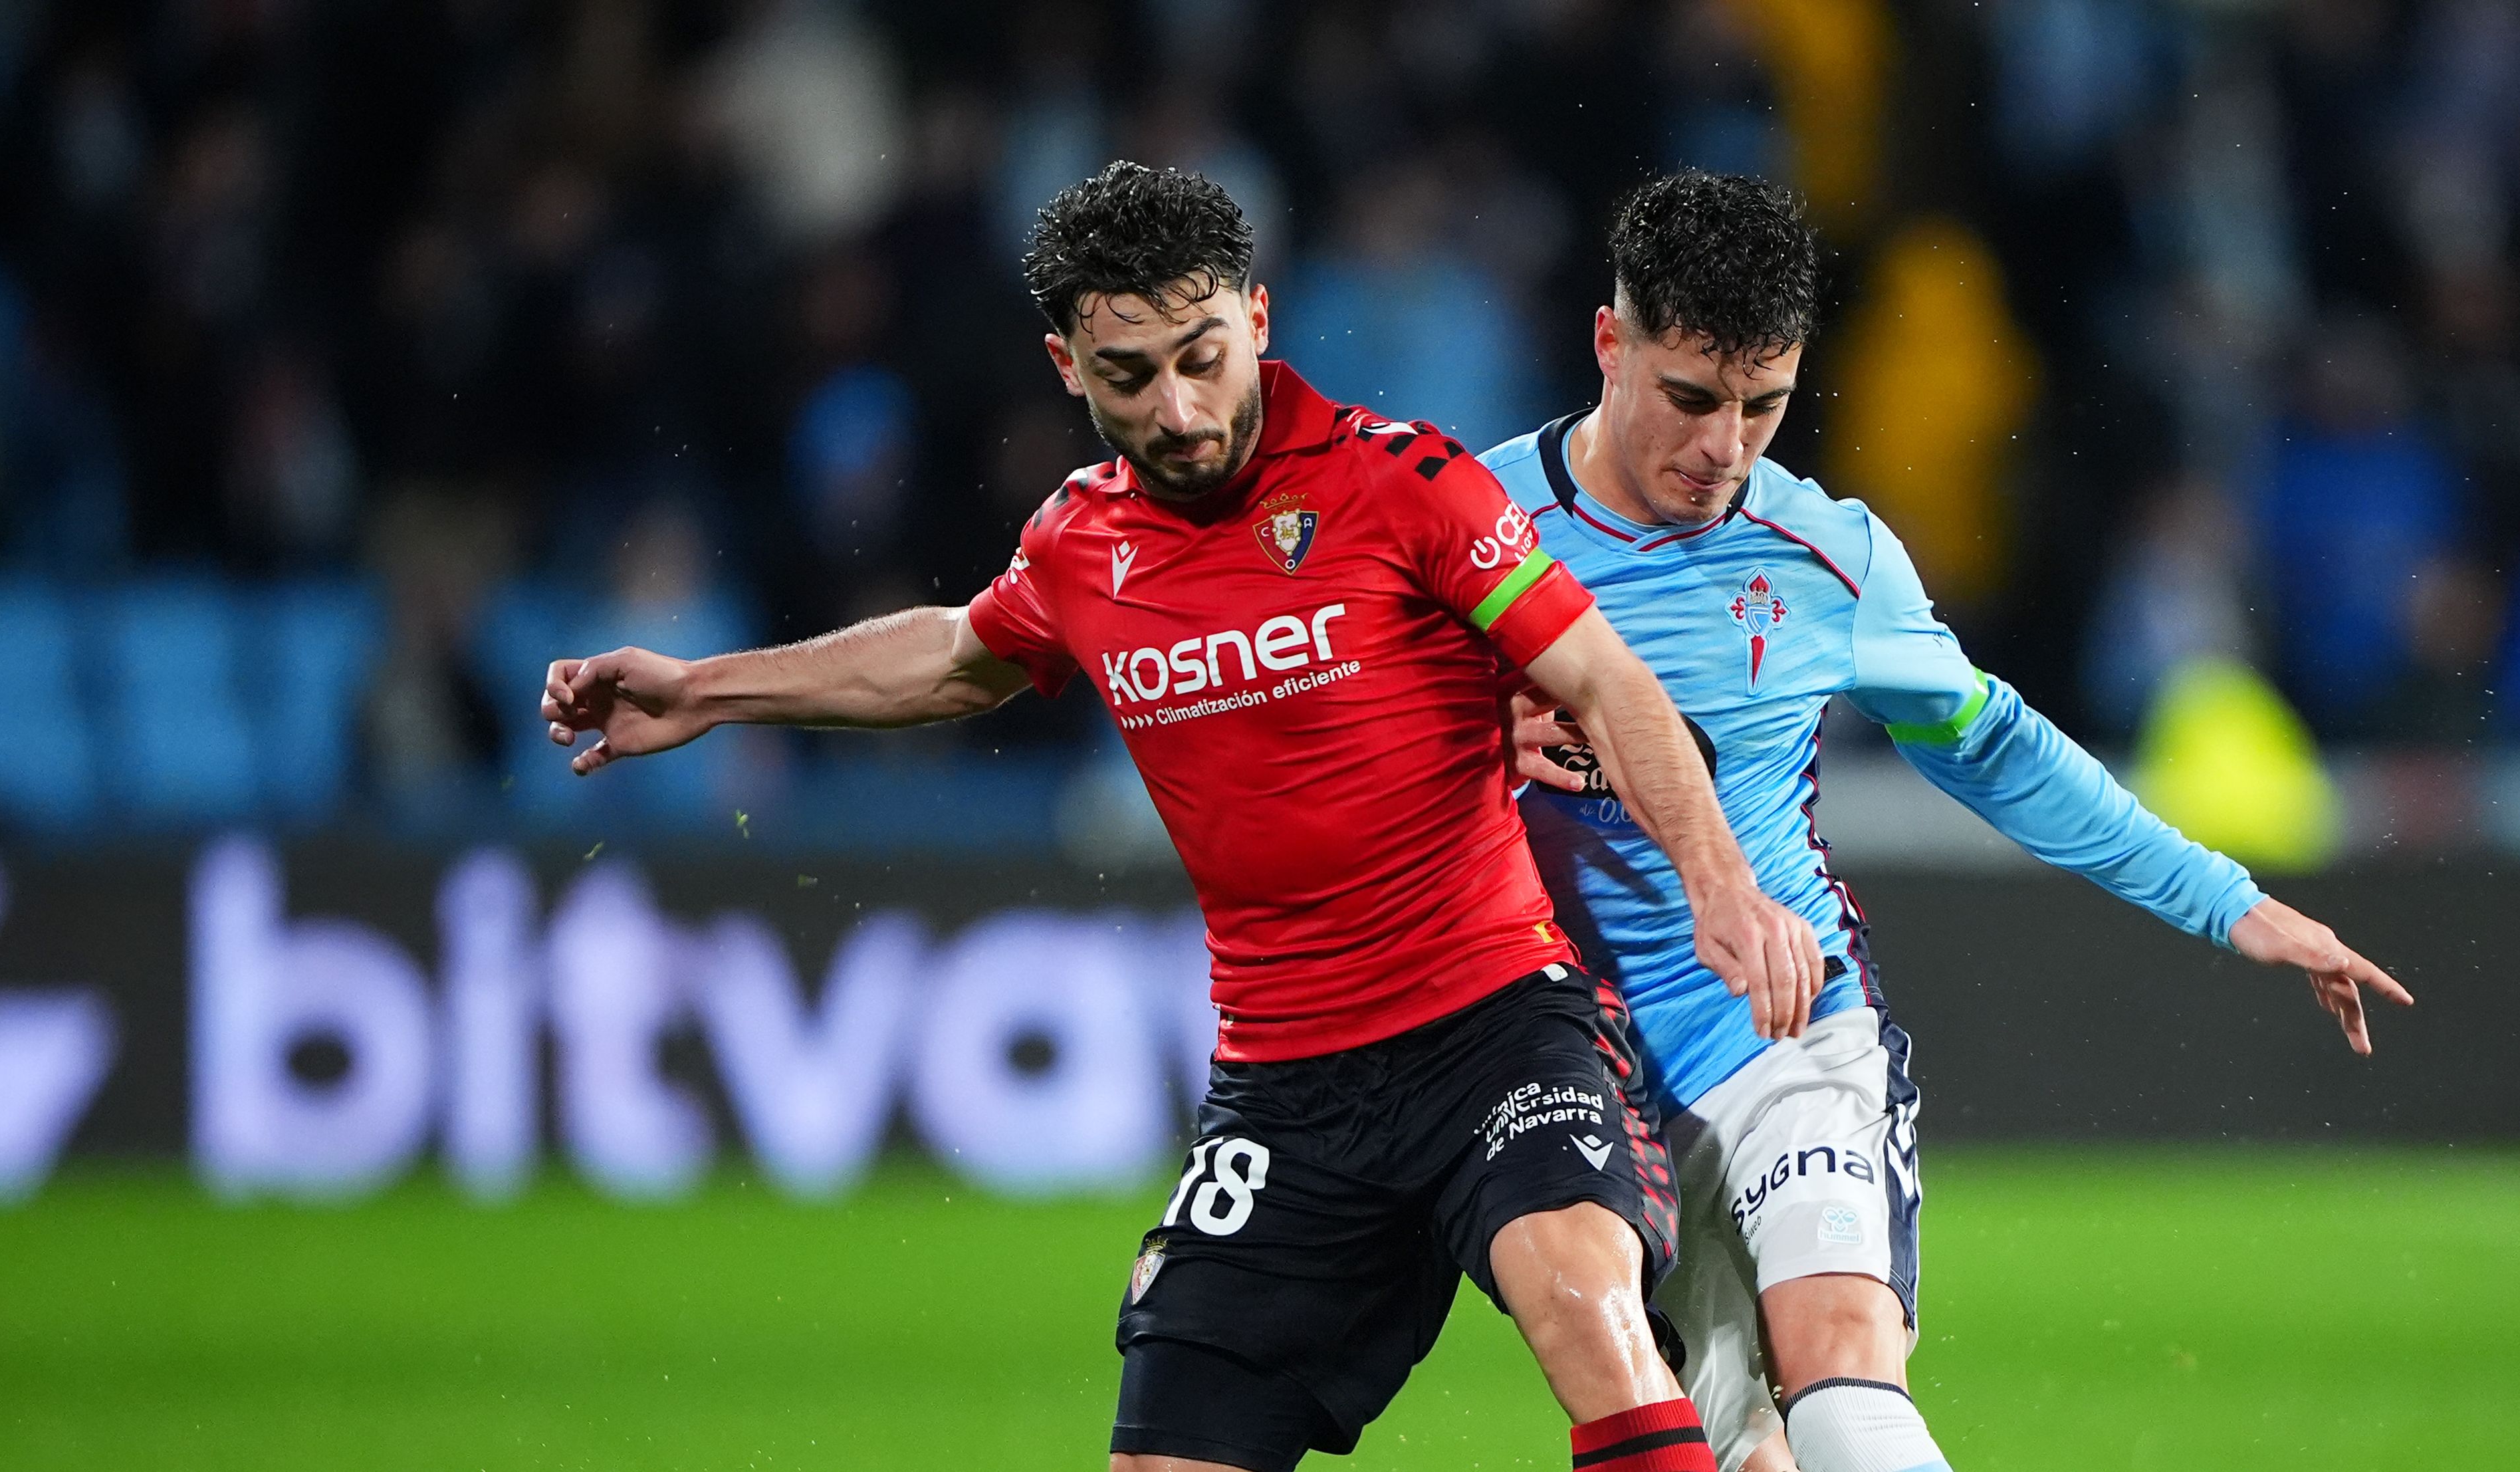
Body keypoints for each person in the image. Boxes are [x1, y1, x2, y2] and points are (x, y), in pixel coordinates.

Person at [538, 162, 1826, 1472]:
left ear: (1256, 319)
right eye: (1130, 375)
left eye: (1204, 357)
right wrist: (702, 690)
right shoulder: (1078, 545)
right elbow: (955, 659)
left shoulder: (1403, 484)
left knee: (1590, 1310)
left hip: (1495, 1030)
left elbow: (1604, 679)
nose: (1180, 408)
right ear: (1067, 365)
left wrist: (1719, 882)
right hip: (1286, 1091)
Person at [1487, 171, 2414, 1472]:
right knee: (1728, 1448)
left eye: (1765, 404)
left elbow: (1996, 748)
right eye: (1691, 398)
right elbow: (1320, 761)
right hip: (1569, 1065)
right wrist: (1462, 742)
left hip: (1786, 1021)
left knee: (1841, 1385)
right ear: (1609, 342)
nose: (1725, 448)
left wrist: (2226, 899)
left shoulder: (1828, 557)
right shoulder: (1470, 529)